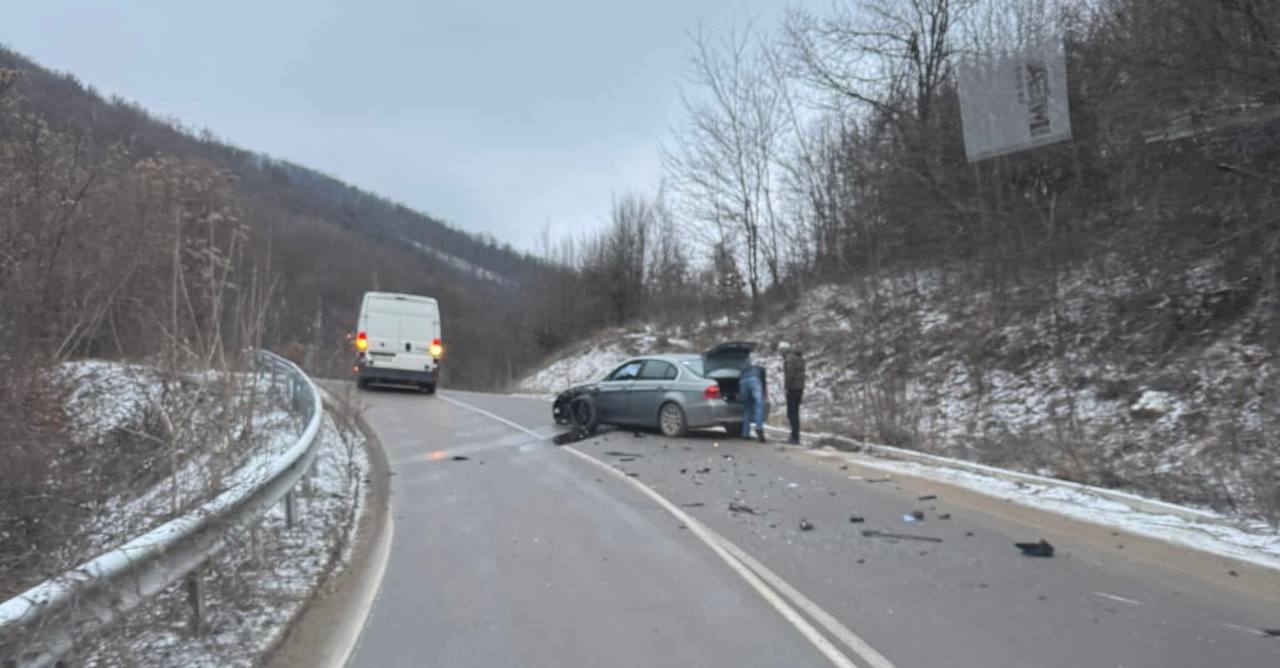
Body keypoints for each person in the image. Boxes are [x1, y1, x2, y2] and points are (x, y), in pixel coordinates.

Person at [781, 342, 806, 445]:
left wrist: (787, 387)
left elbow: (789, 375)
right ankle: (795, 436)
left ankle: (794, 437)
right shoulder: (799, 359)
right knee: (795, 413)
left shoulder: (789, 359)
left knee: (791, 414)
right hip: (799, 389)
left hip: (792, 390)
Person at [739, 362, 766, 443]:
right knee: (759, 404)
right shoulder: (761, 369)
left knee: (747, 407)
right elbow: (763, 381)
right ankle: (759, 427)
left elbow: (739, 377)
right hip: (754, 381)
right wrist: (764, 393)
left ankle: (745, 434)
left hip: (743, 382)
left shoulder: (744, 369)